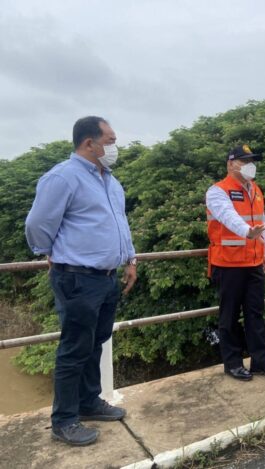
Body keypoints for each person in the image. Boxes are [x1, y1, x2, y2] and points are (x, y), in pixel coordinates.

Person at [25, 116, 137, 446]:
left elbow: (120, 224)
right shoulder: (63, 177)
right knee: (74, 348)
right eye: (110, 140)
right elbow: (37, 224)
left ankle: (89, 401)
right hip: (76, 278)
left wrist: (130, 259)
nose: (115, 147)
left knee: (95, 342)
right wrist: (50, 252)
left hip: (106, 278)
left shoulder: (110, 181)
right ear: (90, 143)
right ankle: (64, 420)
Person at [206, 144, 265, 381]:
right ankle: (232, 364)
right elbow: (228, 217)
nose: (250, 165)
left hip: (253, 262)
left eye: (252, 161)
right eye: (244, 161)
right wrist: (247, 232)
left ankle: (261, 361)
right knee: (229, 317)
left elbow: (262, 223)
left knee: (255, 313)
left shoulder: (256, 190)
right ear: (230, 164)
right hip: (228, 264)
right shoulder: (217, 191)